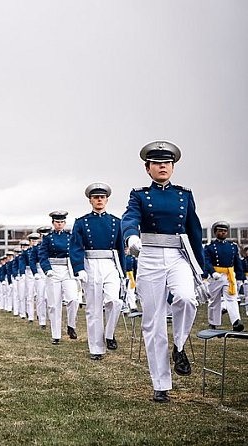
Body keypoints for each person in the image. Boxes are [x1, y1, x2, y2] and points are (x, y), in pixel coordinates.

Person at [122, 141, 203, 403]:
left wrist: (201, 267)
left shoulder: (185, 195)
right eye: (157, 163)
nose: (162, 167)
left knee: (186, 299)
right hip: (150, 257)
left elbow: (195, 231)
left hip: (179, 255)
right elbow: (130, 217)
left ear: (172, 167)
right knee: (153, 321)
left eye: (166, 163)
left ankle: (179, 347)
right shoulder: (140, 195)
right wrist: (131, 237)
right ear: (148, 169)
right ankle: (161, 384)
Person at [70, 183, 125, 360]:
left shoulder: (116, 222)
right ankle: (96, 348)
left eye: (102, 197)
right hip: (90, 265)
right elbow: (75, 247)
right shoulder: (81, 222)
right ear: (90, 200)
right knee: (93, 309)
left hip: (110, 264)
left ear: (107, 199)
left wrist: (123, 271)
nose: (99, 200)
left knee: (114, 301)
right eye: (96, 197)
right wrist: (79, 268)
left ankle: (109, 334)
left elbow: (120, 249)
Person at [39, 212, 80, 344]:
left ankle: (71, 325)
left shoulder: (70, 237)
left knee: (73, 299)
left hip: (68, 269)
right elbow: (42, 255)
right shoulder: (47, 238)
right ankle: (56, 335)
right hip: (53, 270)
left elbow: (76, 252)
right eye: (57, 222)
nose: (59, 224)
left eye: (62, 222)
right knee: (54, 304)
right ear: (53, 223)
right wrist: (47, 269)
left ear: (65, 223)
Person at [204, 221, 244, 331]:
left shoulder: (232, 246)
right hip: (216, 276)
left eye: (225, 231)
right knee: (214, 300)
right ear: (215, 232)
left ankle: (236, 322)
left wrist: (240, 277)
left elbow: (237, 262)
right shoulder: (210, 247)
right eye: (220, 230)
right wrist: (212, 272)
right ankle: (213, 322)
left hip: (229, 275)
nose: (223, 232)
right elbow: (206, 261)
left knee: (232, 298)